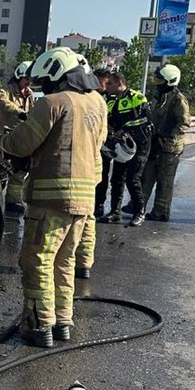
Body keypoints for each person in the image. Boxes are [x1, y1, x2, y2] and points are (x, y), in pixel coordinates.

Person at [0, 47, 106, 348]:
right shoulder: (96, 103)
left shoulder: (52, 103)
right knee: (65, 260)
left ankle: (39, 324)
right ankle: (62, 321)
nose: (42, 86)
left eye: (45, 79)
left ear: (57, 75)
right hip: (85, 197)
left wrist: (1, 141)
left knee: (36, 260)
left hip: (51, 198)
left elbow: (22, 143)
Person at [99, 70, 153, 227]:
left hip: (140, 144)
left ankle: (139, 212)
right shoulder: (110, 100)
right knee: (117, 178)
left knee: (133, 179)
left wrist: (126, 127)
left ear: (119, 83)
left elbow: (146, 119)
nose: (107, 87)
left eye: (110, 84)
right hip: (121, 146)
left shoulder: (137, 98)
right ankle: (115, 212)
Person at [139, 64, 192, 222]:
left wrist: (171, 138)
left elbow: (184, 123)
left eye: (160, 79)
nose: (156, 82)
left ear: (170, 80)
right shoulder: (158, 96)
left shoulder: (178, 99)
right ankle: (139, 206)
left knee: (165, 180)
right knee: (146, 176)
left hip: (169, 147)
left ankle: (161, 211)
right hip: (154, 142)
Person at [78, 66, 112, 278]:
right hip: (94, 166)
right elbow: (102, 136)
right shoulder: (99, 102)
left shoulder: (79, 100)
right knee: (88, 217)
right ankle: (84, 263)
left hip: (81, 166)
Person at [0, 61, 35, 214]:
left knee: (19, 173)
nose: (28, 83)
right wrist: (19, 111)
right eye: (26, 79)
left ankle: (12, 201)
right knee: (1, 171)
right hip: (6, 138)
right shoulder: (7, 91)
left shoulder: (29, 94)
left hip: (21, 139)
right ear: (19, 77)